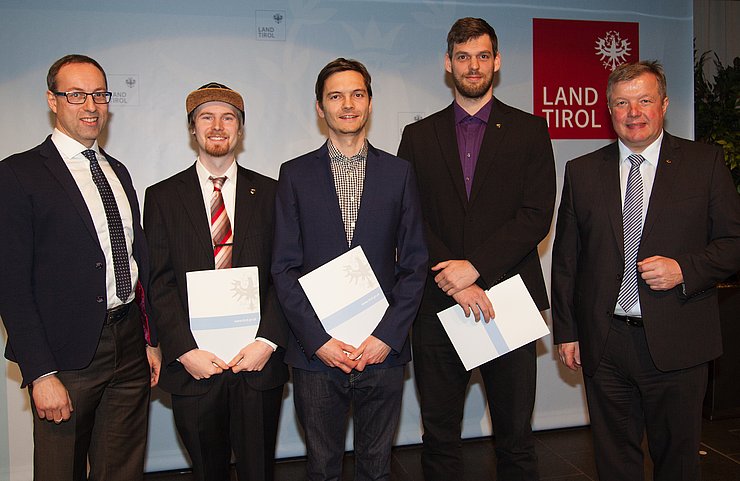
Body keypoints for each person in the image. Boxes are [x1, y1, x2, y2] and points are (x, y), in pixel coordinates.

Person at [551, 60, 740, 481]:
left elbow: (733, 244)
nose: (633, 112)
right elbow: (567, 261)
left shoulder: (704, 164)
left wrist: (684, 269)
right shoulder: (581, 172)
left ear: (664, 105)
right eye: (622, 103)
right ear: (609, 109)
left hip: (679, 341)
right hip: (606, 344)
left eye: (644, 100)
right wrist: (567, 331)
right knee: (614, 461)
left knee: (677, 461)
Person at [397, 17, 556, 481]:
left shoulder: (530, 131)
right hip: (437, 305)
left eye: (482, 56)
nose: (473, 66)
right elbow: (410, 218)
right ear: (448, 64)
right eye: (463, 57)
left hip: (507, 300)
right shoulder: (418, 136)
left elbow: (535, 214)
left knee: (515, 437)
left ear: (497, 62)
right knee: (440, 438)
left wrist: (474, 268)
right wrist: (454, 278)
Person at [0, 54, 161, 481]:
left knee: (122, 469)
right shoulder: (18, 174)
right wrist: (40, 373)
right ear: (52, 101)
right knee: (59, 470)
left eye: (99, 95)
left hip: (128, 345)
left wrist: (149, 339)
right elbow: (11, 285)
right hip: (65, 357)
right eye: (76, 95)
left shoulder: (118, 171)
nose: (90, 106)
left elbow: (133, 260)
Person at [271, 58, 427, 481]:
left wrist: (387, 338)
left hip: (381, 351)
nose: (347, 104)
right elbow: (283, 268)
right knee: (322, 468)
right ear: (319, 108)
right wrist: (317, 340)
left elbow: (415, 265)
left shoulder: (399, 173)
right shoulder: (294, 175)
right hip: (317, 355)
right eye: (335, 96)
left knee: (378, 468)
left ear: (370, 103)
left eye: (357, 94)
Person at [144, 83, 289, 481]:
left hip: (256, 362)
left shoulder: (273, 194)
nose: (218, 126)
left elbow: (286, 275)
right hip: (194, 366)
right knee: (207, 471)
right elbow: (158, 282)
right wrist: (184, 350)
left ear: (240, 129)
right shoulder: (161, 197)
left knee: (258, 470)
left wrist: (268, 341)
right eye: (206, 117)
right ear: (192, 128)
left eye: (228, 117)